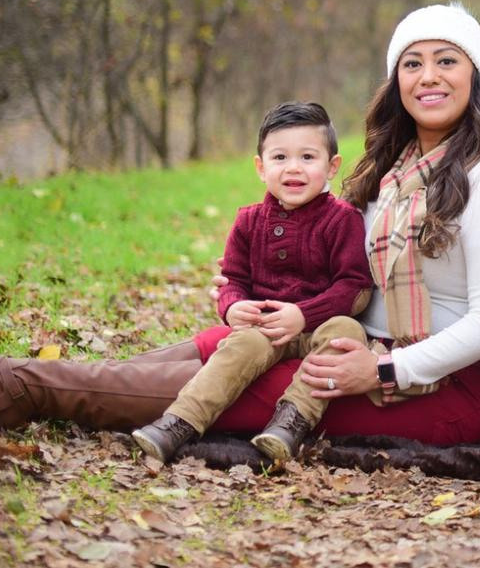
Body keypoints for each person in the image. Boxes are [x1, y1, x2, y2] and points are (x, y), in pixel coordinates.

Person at [0, 3, 480, 451]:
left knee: (213, 385)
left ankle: (13, 387)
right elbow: (348, 272)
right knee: (215, 345)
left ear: (475, 76)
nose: (428, 77)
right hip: (353, 344)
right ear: (395, 80)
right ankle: (16, 384)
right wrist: (276, 311)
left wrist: (378, 371)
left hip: (452, 385)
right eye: (412, 63)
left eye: (446, 61)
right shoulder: (394, 169)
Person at [130, 101, 374, 463]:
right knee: (240, 344)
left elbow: (353, 286)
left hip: (320, 324)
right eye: (279, 158)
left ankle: (290, 422)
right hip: (266, 327)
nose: (293, 168)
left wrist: (304, 315)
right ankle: (180, 421)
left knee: (346, 332)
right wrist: (232, 306)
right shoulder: (248, 221)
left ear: (331, 166)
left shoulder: (342, 219)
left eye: (308, 157)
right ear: (261, 167)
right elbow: (233, 280)